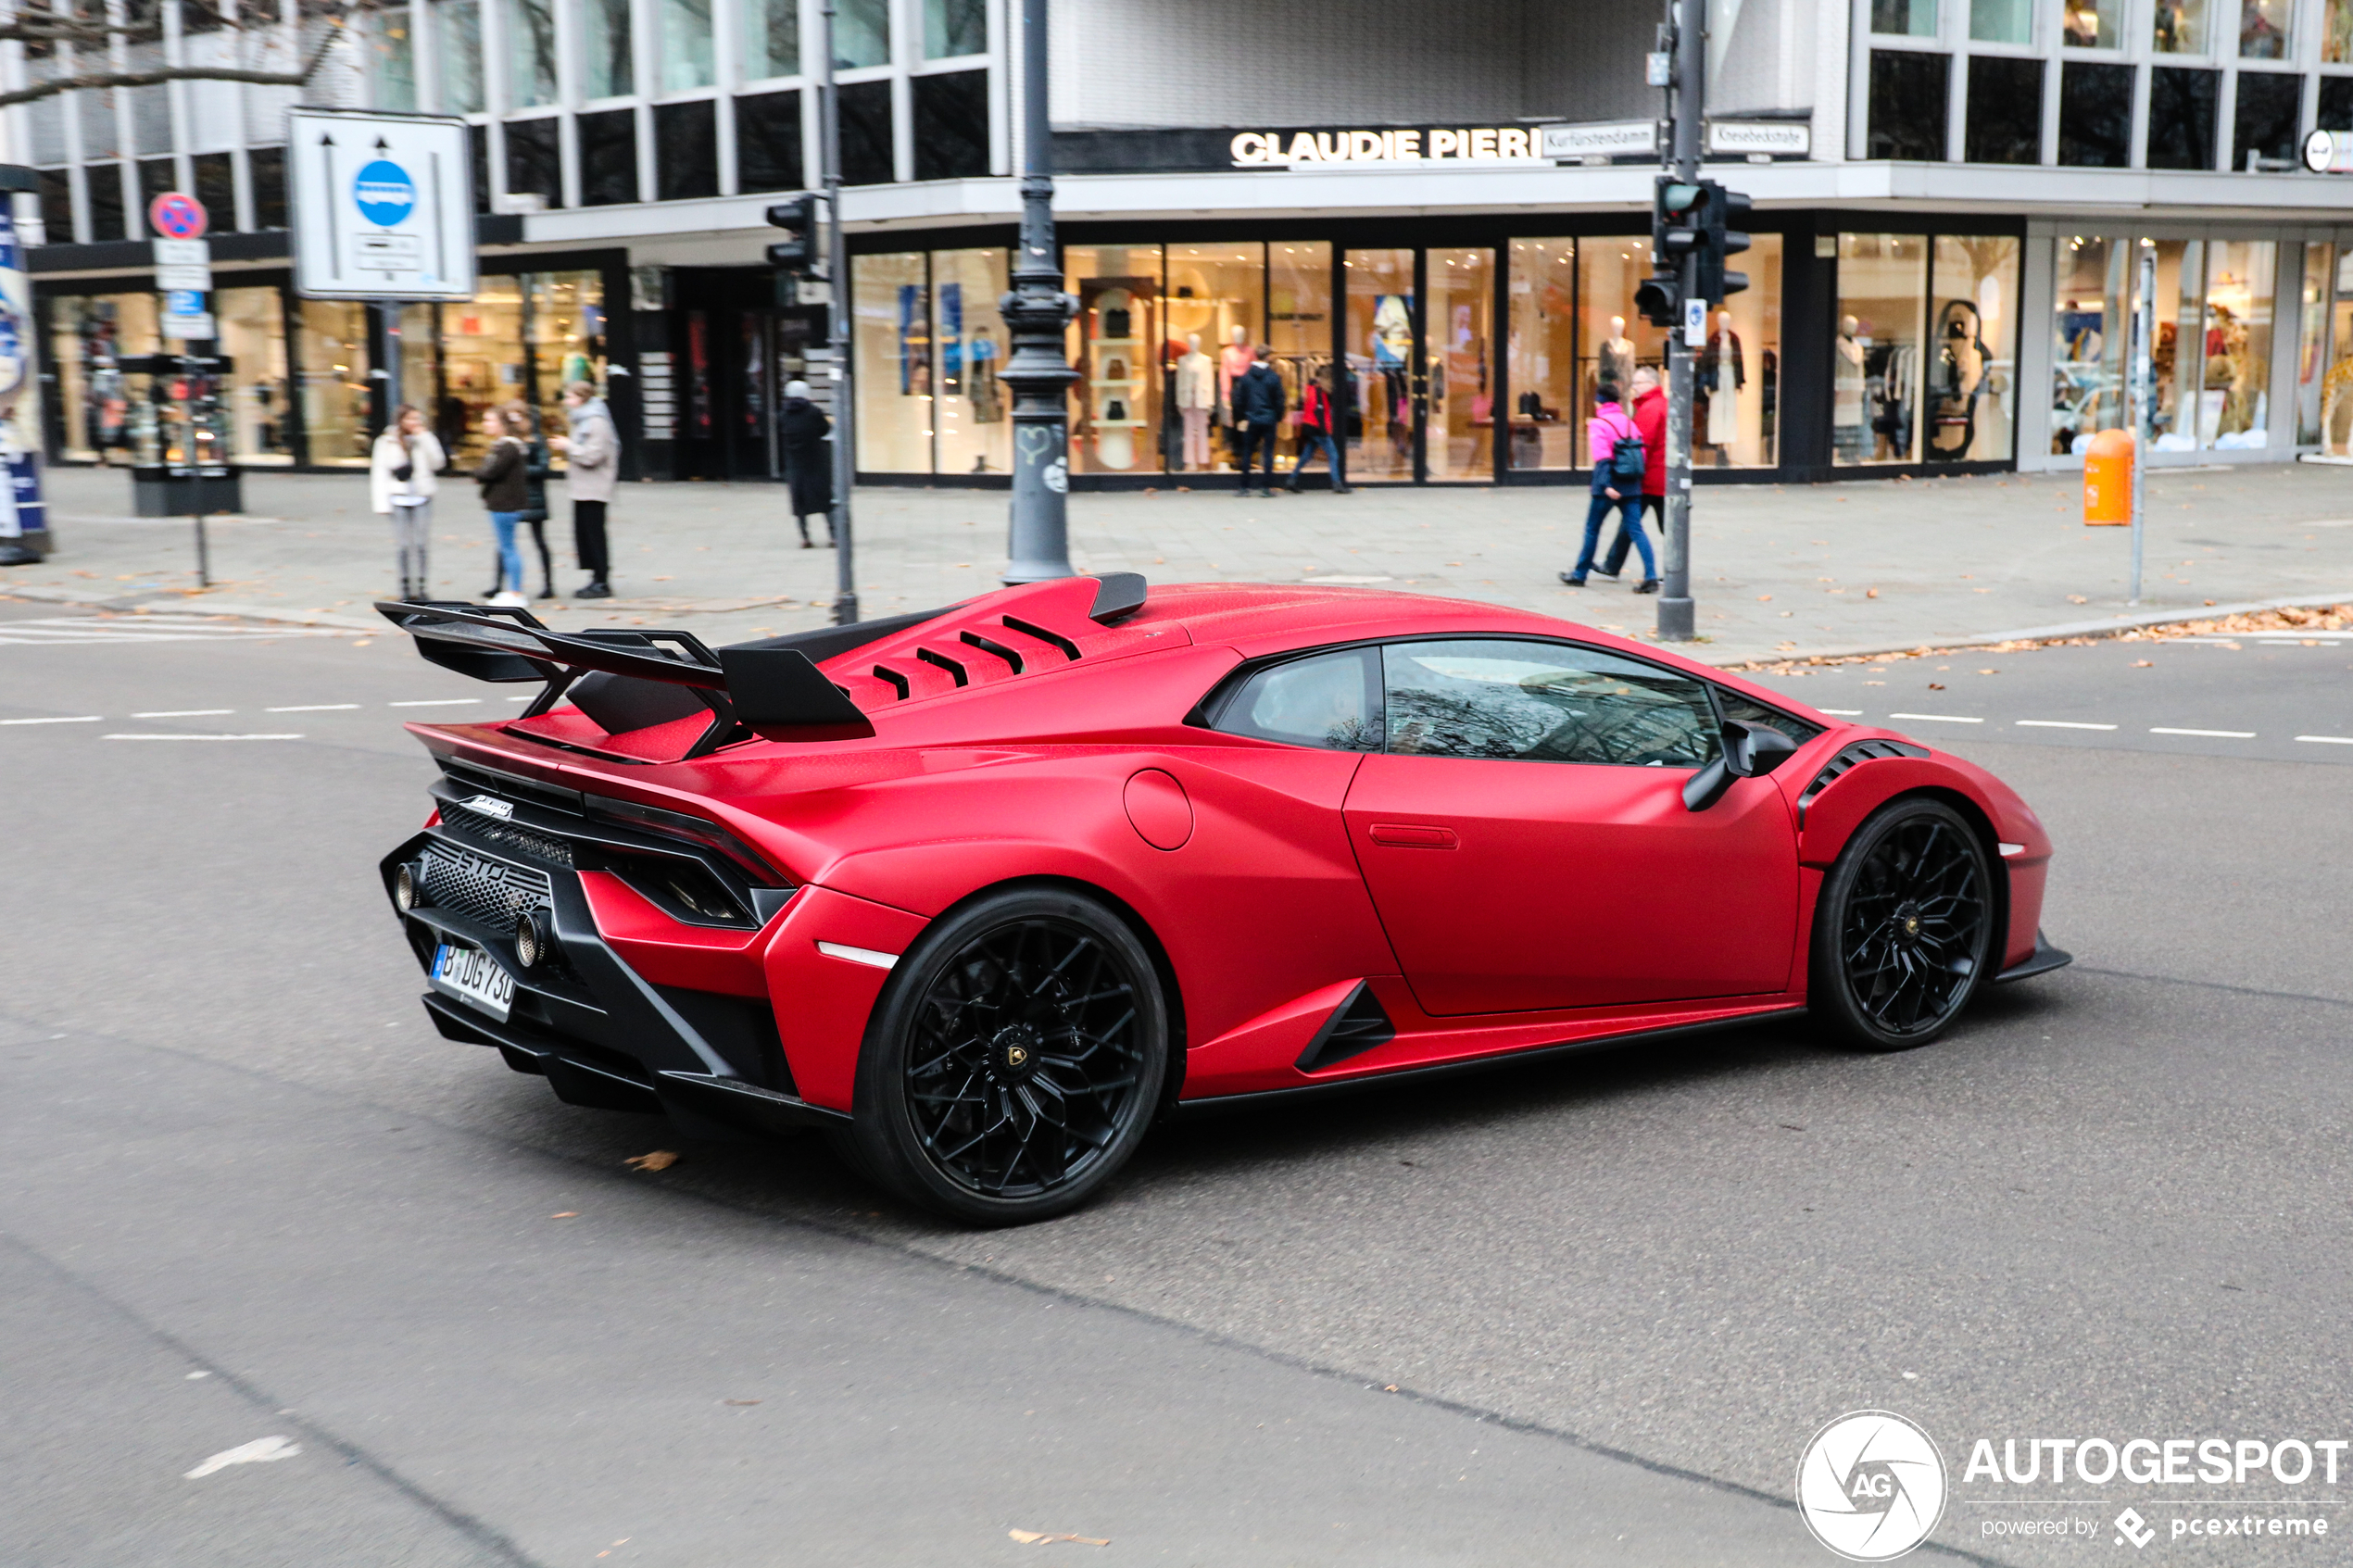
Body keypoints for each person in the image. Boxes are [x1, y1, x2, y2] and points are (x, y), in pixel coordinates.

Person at [1560, 381, 1656, 593]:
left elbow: (1602, 458)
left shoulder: (1599, 423)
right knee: (1636, 530)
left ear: (1599, 401)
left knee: (1592, 529)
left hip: (1608, 486)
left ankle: (1579, 574)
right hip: (1632, 485)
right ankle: (1651, 575)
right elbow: (1641, 454)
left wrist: (1605, 486)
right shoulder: (1629, 422)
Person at [549, 380, 618, 599]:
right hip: (583, 487)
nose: (566, 401)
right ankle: (596, 578)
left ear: (580, 398)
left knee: (595, 534)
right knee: (585, 535)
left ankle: (602, 581)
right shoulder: (583, 420)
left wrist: (568, 446)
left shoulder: (596, 422)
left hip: (594, 487)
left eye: (569, 397)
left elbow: (592, 455)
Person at [370, 404, 444, 602]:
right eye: (411, 419)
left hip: (422, 497)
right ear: (401, 420)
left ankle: (421, 587)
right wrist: (381, 504)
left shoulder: (425, 438)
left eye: (418, 419)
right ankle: (404, 587)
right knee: (402, 545)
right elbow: (379, 473)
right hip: (398, 497)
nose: (415, 423)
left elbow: (438, 463)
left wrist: (425, 438)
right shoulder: (386, 441)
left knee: (421, 544)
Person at [1599, 365, 1668, 581]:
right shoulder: (1662, 405)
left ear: (1651, 384)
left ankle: (1614, 565)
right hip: (1662, 477)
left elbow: (1641, 446)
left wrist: (1628, 474)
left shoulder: (1650, 409)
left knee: (1634, 523)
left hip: (1651, 478)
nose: (1634, 388)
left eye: (1638, 383)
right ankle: (1612, 564)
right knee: (1641, 523)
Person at [497, 406, 558, 600]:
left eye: (520, 419)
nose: (518, 424)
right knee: (505, 543)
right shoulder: (509, 442)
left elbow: (543, 468)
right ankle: (497, 584)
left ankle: (549, 585)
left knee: (539, 541)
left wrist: (517, 469)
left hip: (533, 499)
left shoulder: (537, 441)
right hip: (511, 497)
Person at [473, 406, 530, 608]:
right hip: (503, 503)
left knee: (508, 547)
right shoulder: (506, 446)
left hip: (505, 504)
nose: (485, 424)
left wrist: (478, 473)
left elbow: (492, 472)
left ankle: (516, 592)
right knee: (507, 546)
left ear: (502, 424)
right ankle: (513, 590)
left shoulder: (508, 447)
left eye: (490, 420)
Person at [778, 379, 834, 546]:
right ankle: (833, 536)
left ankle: (805, 537)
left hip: (795, 464)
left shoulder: (783, 415)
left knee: (800, 502)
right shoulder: (814, 412)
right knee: (825, 501)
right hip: (816, 462)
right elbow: (825, 429)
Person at [1230, 345, 1287, 497]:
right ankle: (1266, 488)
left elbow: (1238, 400)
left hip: (1251, 419)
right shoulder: (1274, 377)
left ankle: (1244, 487)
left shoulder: (1246, 377)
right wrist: (1278, 416)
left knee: (1247, 452)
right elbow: (1280, 400)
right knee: (1268, 453)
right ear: (1267, 357)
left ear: (1255, 356)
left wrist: (1241, 416)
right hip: (1269, 419)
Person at [1286, 364, 1350, 493]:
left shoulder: (1312, 389)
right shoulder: (1319, 392)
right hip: (1318, 428)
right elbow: (1319, 412)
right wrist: (1324, 431)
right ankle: (1337, 484)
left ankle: (1291, 480)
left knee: (1306, 456)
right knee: (1334, 455)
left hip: (1311, 427)